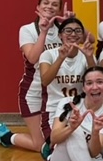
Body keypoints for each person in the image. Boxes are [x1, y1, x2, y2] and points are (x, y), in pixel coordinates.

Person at [0, 0, 66, 152]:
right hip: (34, 91)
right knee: (40, 144)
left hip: (55, 92)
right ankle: (6, 136)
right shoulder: (27, 29)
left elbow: (88, 40)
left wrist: (72, 22)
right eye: (46, 3)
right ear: (38, 7)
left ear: (59, 10)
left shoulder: (64, 30)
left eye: (54, 4)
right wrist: (43, 32)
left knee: (57, 140)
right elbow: (32, 58)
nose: (50, 6)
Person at [39, 18, 96, 151]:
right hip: (54, 109)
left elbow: (95, 82)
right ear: (60, 35)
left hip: (80, 106)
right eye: (68, 30)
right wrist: (61, 58)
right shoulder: (48, 54)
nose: (73, 34)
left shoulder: (86, 54)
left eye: (77, 31)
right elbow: (45, 80)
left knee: (84, 142)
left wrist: (89, 57)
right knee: (61, 145)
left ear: (82, 35)